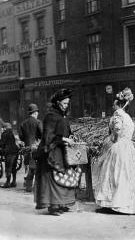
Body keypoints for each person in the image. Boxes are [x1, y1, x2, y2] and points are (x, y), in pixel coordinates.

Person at [95, 87, 135, 215]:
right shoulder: (128, 118)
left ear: (118, 105)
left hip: (118, 147)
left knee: (113, 175)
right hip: (128, 147)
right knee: (124, 175)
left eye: (114, 105)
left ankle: (114, 205)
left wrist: (111, 139)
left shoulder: (118, 116)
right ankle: (124, 205)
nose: (113, 107)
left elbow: (117, 131)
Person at [35, 88, 77, 216]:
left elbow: (65, 131)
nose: (66, 106)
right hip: (51, 152)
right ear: (58, 102)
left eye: (67, 103)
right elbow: (48, 136)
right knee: (53, 180)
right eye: (64, 103)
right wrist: (64, 139)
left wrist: (71, 137)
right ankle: (53, 206)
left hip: (61, 150)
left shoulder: (61, 116)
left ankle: (62, 204)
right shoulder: (50, 116)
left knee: (63, 178)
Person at [19, 103, 42, 192]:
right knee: (37, 168)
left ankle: (28, 187)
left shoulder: (23, 123)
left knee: (30, 168)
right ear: (35, 113)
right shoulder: (38, 122)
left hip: (26, 149)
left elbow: (21, 137)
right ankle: (37, 188)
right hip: (36, 148)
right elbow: (42, 134)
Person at [0, 123, 19, 188]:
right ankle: (14, 182)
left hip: (9, 152)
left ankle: (7, 183)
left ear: (4, 128)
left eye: (2, 128)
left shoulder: (4, 133)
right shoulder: (12, 133)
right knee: (14, 167)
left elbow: (2, 143)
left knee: (8, 167)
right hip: (15, 151)